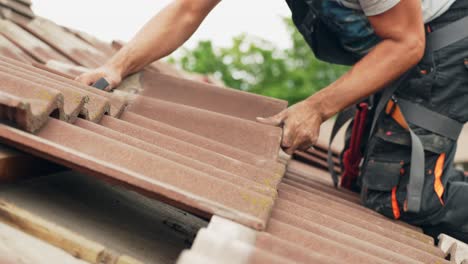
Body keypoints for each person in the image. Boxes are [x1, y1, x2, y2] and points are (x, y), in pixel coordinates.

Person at [77, 0, 468, 242]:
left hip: (446, 35)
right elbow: (187, 8)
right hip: (408, 37)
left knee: (403, 200)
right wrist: (115, 67)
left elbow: (407, 43)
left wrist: (315, 108)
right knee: (374, 178)